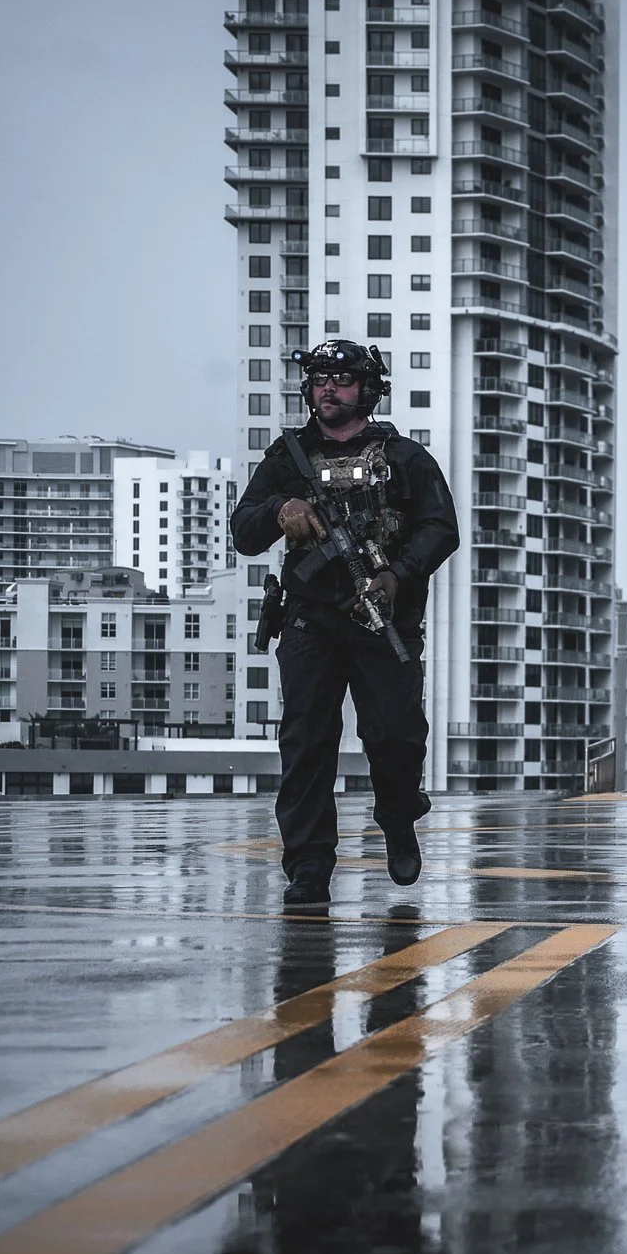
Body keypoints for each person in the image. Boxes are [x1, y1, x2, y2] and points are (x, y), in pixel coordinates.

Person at [230, 340, 459, 909]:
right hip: (310, 620)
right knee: (307, 744)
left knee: (396, 736)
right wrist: (281, 512)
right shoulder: (287, 458)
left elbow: (440, 528)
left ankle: (398, 816)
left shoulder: (404, 457)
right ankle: (308, 866)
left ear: (368, 389)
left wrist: (398, 575)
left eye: (342, 379)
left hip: (383, 620)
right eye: (319, 378)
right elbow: (244, 529)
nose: (328, 387)